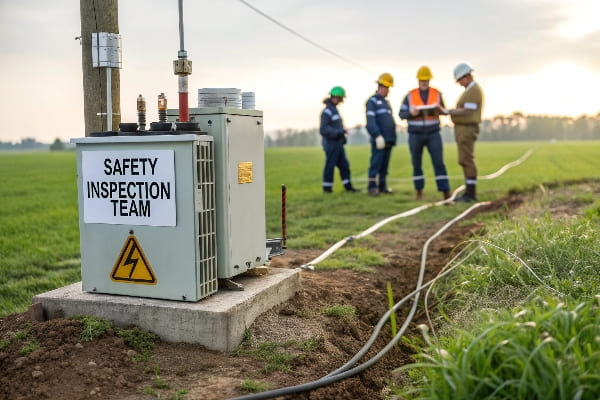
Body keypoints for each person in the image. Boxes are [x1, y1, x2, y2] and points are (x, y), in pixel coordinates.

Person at [399, 66, 451, 201]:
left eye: (426, 80)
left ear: (429, 80)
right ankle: (419, 191)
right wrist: (412, 113)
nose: (424, 82)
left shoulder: (437, 94)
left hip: (433, 133)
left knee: (439, 163)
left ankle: (446, 192)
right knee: (416, 164)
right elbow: (401, 114)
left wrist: (440, 110)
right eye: (422, 80)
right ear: (418, 80)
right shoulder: (410, 96)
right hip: (415, 134)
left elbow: (444, 111)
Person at [447, 62, 484, 202]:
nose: (459, 83)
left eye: (460, 80)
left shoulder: (474, 91)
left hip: (467, 129)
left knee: (467, 159)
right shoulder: (469, 90)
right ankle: (468, 193)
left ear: (467, 76)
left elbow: (467, 110)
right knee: (463, 159)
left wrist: (448, 111)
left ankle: (470, 194)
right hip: (463, 129)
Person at [319, 86, 359, 193]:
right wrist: (339, 132)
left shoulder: (334, 110)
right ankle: (327, 189)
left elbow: (336, 127)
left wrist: (342, 131)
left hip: (338, 143)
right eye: (341, 98)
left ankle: (348, 187)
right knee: (330, 165)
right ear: (336, 97)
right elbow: (323, 129)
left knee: (344, 165)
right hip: (331, 144)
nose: (341, 101)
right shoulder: (327, 111)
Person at [366, 73, 397, 196]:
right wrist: (377, 135)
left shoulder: (386, 102)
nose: (388, 90)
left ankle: (382, 186)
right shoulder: (372, 102)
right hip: (379, 139)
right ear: (380, 86)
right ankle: (372, 187)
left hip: (389, 139)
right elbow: (370, 121)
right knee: (376, 163)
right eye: (386, 87)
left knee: (384, 165)